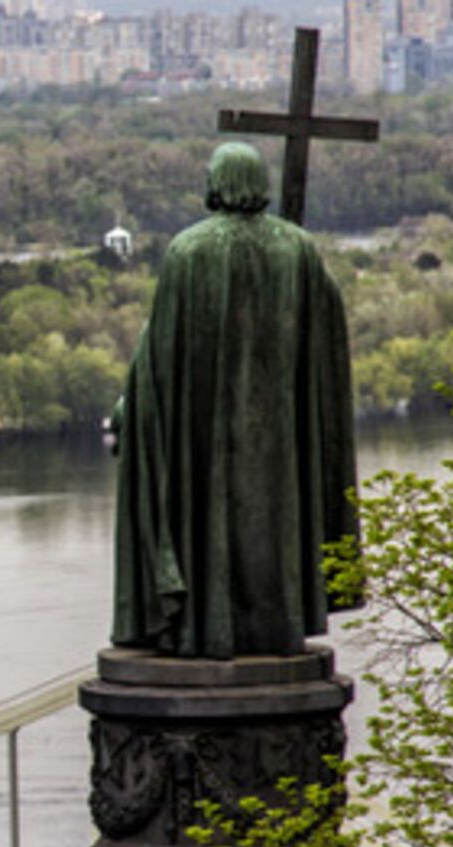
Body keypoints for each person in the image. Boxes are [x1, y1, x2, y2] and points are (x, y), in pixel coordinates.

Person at [111, 142, 360, 659]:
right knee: (273, 526)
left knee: (207, 519)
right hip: (281, 440)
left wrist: (126, 412)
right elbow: (328, 338)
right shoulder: (298, 250)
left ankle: (206, 627)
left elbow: (159, 355)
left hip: (204, 436)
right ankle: (276, 626)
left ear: (219, 181)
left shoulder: (188, 251)